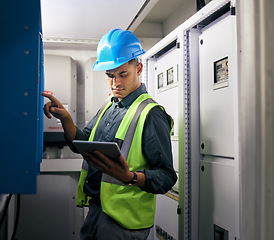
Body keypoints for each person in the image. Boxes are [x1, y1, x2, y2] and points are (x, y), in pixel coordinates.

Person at [42, 29, 177, 240]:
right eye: (110, 76)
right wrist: (65, 118)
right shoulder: (109, 105)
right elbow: (83, 144)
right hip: (97, 209)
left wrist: (129, 177)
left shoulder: (151, 114)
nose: (116, 83)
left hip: (125, 222)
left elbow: (167, 177)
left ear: (138, 68)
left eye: (123, 74)